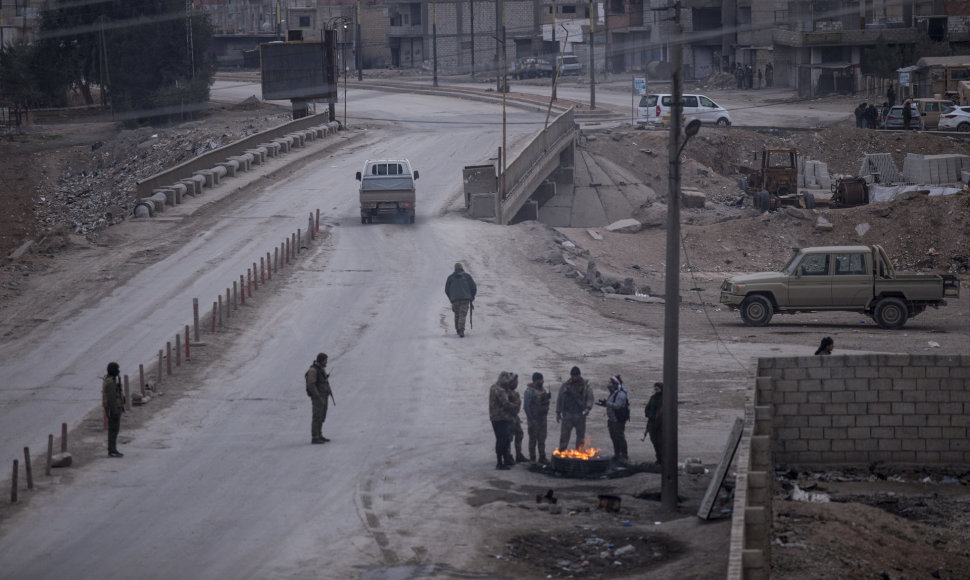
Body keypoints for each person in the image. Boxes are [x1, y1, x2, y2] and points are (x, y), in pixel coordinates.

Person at [556, 366, 594, 452]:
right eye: (573, 376)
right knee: (564, 435)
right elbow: (560, 399)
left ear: (579, 375)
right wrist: (558, 413)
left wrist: (588, 408)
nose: (575, 378)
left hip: (580, 415)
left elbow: (590, 398)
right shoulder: (565, 386)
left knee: (580, 436)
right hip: (567, 414)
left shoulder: (585, 386)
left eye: (576, 376)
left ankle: (579, 452)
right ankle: (562, 452)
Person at [489, 371, 519, 470]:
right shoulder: (500, 390)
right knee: (502, 440)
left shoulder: (493, 387)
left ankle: (503, 460)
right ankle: (500, 462)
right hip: (501, 418)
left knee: (501, 440)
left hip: (495, 418)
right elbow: (506, 404)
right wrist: (516, 406)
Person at [598, 375, 630, 463]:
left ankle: (624, 456)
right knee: (614, 437)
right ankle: (617, 455)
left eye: (610, 383)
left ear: (615, 384)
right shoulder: (614, 393)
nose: (608, 384)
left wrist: (607, 403)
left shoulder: (621, 394)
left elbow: (617, 406)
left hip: (618, 420)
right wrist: (604, 404)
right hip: (612, 420)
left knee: (620, 437)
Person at [523, 372, 551, 464]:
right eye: (540, 380)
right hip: (534, 420)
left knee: (542, 439)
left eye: (542, 379)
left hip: (543, 419)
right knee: (533, 440)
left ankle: (542, 457)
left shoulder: (543, 390)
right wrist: (531, 419)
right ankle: (532, 458)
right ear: (535, 381)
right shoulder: (529, 391)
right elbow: (526, 407)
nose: (542, 381)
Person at [305, 353, 333, 444]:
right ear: (321, 360)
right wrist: (317, 395)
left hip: (324, 396)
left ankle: (319, 434)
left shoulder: (321, 369)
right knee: (317, 416)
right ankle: (315, 436)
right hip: (318, 397)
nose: (326, 362)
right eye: (325, 360)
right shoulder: (313, 370)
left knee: (322, 415)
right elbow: (311, 384)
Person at [445, 262, 477, 337]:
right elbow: (473, 287)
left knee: (457, 314)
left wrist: (451, 298)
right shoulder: (467, 276)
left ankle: (458, 329)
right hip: (465, 299)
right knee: (462, 314)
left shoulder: (450, 277)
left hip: (455, 300)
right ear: (462, 268)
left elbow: (446, 290)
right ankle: (461, 330)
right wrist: (471, 296)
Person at [102, 362, 125, 457]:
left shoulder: (110, 380)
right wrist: (114, 411)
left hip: (113, 409)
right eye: (117, 369)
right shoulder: (111, 383)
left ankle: (113, 449)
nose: (118, 371)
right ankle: (112, 450)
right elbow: (111, 399)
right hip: (113, 410)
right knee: (113, 430)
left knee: (114, 430)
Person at [508, 374, 528, 464]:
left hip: (515, 417)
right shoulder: (506, 393)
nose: (517, 383)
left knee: (519, 434)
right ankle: (507, 456)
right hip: (508, 418)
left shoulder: (515, 393)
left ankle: (518, 455)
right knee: (508, 438)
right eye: (515, 381)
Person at [644, 382, 663, 465]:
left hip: (661, 424)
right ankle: (658, 458)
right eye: (655, 388)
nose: (656, 389)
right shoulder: (653, 398)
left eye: (657, 388)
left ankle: (662, 459)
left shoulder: (665, 399)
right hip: (652, 423)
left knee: (660, 442)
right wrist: (650, 415)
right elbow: (647, 409)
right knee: (654, 441)